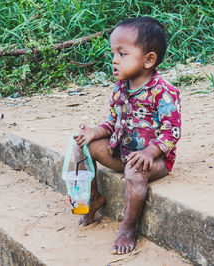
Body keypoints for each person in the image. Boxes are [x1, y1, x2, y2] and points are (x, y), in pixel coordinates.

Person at [74, 16, 181, 255]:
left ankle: (127, 228)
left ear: (149, 59)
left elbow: (171, 132)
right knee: (82, 147)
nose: (114, 60)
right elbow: (113, 123)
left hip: (155, 160)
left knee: (135, 171)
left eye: (122, 54)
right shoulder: (120, 88)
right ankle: (92, 199)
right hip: (123, 153)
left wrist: (149, 152)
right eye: (114, 53)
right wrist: (93, 132)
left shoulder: (164, 93)